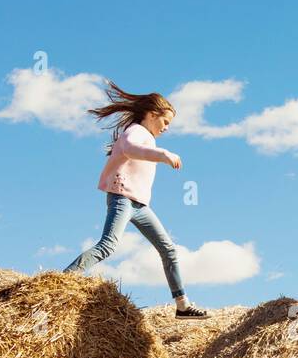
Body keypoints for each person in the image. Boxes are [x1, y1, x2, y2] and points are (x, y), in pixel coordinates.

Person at [64, 83, 207, 319]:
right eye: (165, 122)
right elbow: (131, 149)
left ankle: (182, 306)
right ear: (151, 115)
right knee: (108, 245)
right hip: (122, 198)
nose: (167, 128)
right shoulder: (136, 132)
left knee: (168, 249)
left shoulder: (146, 137)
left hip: (139, 205)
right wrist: (163, 155)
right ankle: (64, 280)